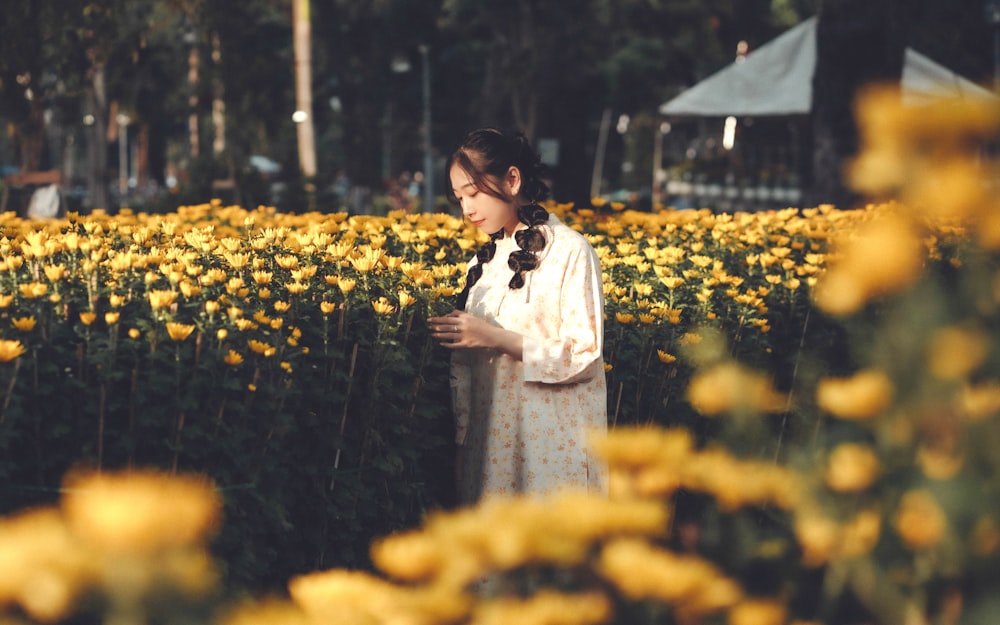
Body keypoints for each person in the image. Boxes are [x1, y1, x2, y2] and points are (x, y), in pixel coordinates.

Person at [428, 128, 607, 504]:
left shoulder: (570, 252)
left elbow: (583, 356)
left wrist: (495, 337)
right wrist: (463, 447)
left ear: (512, 179)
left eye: (473, 193)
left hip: (553, 455)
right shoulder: (482, 263)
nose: (467, 209)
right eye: (459, 198)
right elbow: (462, 368)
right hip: (488, 455)